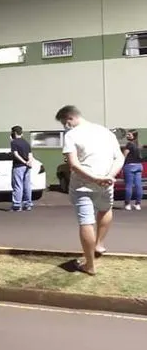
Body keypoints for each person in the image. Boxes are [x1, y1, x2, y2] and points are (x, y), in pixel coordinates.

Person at [55, 105, 124, 275]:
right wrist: (109, 176)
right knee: (105, 209)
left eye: (65, 122)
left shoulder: (71, 135)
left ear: (70, 118)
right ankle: (99, 244)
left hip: (83, 185)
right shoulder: (106, 132)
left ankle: (90, 265)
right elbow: (119, 157)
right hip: (106, 182)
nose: (65, 126)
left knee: (86, 221)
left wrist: (94, 179)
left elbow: (73, 165)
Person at [10, 125, 34, 212]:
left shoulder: (14, 142)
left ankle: (17, 205)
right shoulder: (26, 143)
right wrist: (29, 162)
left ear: (14, 133)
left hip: (18, 166)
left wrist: (23, 162)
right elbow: (30, 155)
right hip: (27, 166)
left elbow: (16, 154)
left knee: (18, 185)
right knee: (27, 185)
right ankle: (27, 204)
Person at [122, 130, 142, 211]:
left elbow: (124, 156)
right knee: (138, 185)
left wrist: (120, 165)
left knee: (129, 186)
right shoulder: (138, 145)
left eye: (129, 135)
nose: (127, 136)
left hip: (129, 166)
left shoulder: (129, 145)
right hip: (139, 166)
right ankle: (138, 204)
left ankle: (127, 204)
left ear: (133, 136)